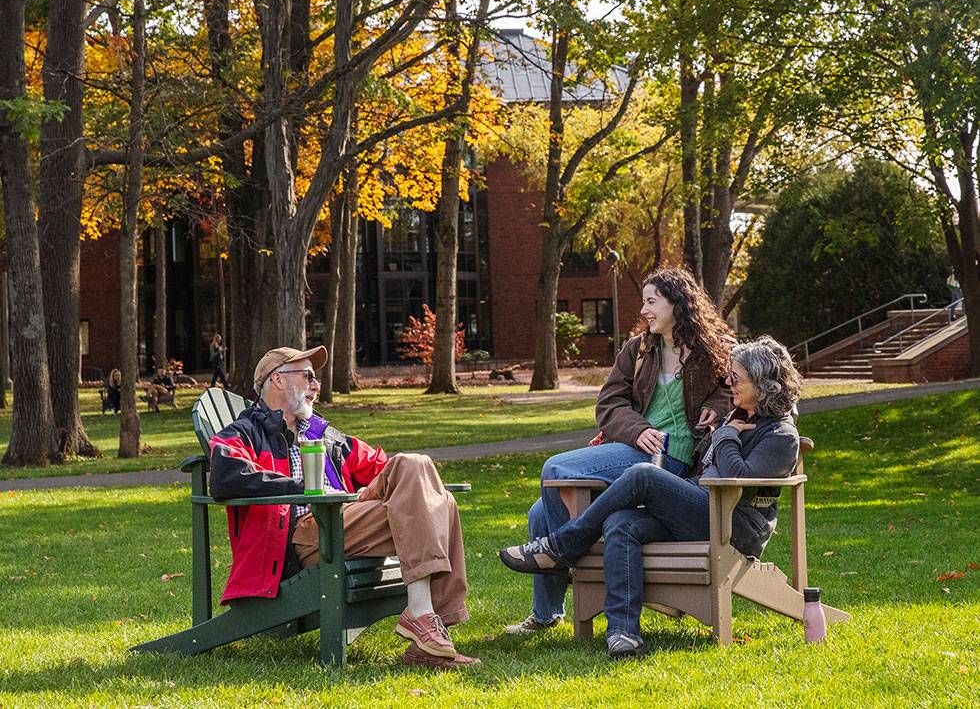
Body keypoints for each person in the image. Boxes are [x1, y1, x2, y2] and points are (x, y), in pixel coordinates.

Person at [500, 335, 802, 659]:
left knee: (642, 474)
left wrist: (725, 435)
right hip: (701, 512)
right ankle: (623, 632)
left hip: (732, 525)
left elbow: (737, 478)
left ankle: (562, 546)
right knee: (621, 522)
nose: (729, 383)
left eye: (736, 378)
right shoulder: (739, 418)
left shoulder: (780, 435)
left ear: (763, 383)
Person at [208, 345, 478, 670]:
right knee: (440, 502)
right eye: (307, 376)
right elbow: (226, 477)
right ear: (277, 380)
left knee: (420, 472)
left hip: (345, 523)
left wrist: (422, 489)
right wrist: (306, 489)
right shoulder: (246, 432)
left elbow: (381, 466)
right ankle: (427, 622)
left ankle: (429, 629)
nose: (316, 385)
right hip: (305, 535)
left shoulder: (323, 433)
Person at [503, 267, 733, 638]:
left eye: (651, 301)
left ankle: (565, 552)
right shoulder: (639, 349)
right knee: (539, 512)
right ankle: (546, 614)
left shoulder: (712, 350)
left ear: (678, 303)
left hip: (672, 461)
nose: (644, 310)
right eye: (643, 302)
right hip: (635, 447)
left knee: (555, 468)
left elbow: (737, 385)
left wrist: (720, 406)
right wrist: (637, 429)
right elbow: (609, 404)